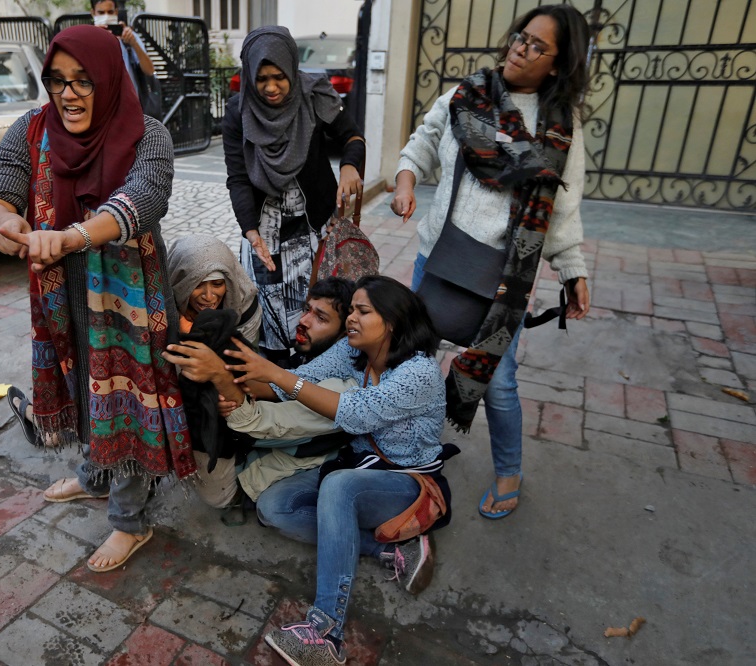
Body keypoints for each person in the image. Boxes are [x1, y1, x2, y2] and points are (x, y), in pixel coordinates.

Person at [0, 25, 194, 573]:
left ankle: (130, 520)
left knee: (124, 394)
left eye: (83, 81)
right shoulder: (33, 129)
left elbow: (141, 199)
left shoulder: (148, 136)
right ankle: (95, 475)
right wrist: (3, 221)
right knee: (78, 380)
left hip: (129, 301)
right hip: (58, 293)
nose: (68, 94)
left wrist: (72, 237)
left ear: (109, 79)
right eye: (57, 80)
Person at [391, 4, 592, 520]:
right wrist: (407, 179)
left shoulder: (562, 130)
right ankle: (409, 451)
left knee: (498, 381)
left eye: (536, 46)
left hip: (504, 277)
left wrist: (572, 269)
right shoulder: (469, 95)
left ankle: (509, 471)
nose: (519, 49)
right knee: (415, 358)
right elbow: (425, 140)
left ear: (558, 64)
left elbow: (564, 210)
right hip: (438, 255)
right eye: (520, 38)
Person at [222, 276, 453, 666]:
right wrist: (239, 388)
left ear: (393, 321)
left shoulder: (420, 373)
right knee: (273, 506)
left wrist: (275, 373)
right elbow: (300, 384)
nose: (352, 320)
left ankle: (326, 632)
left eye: (364, 312)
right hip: (355, 467)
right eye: (353, 311)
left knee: (340, 487)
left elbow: (354, 413)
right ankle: (387, 550)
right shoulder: (351, 351)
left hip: (407, 484)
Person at [222, 25, 365, 364]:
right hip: (265, 233)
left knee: (317, 311)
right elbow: (238, 178)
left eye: (279, 77)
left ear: (291, 68)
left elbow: (352, 138)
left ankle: (315, 383)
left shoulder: (314, 95)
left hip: (315, 227)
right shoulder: (237, 112)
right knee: (268, 316)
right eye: (261, 78)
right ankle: (275, 386)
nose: (271, 87)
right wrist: (250, 231)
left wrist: (349, 166)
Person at [164, 277, 356, 505]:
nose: (304, 320)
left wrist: (220, 378)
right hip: (255, 445)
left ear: (345, 334)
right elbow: (260, 386)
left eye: (320, 318)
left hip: (249, 477)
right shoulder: (311, 355)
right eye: (307, 310)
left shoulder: (338, 393)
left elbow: (256, 423)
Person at [166, 233, 261, 508]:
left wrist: (224, 391)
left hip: (220, 408)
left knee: (218, 499)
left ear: (229, 283)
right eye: (197, 286)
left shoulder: (245, 307)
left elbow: (245, 373)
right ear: (180, 282)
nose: (209, 297)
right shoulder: (164, 312)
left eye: (218, 284)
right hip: (178, 401)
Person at [91, 0, 161, 118]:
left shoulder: (128, 38)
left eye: (110, 12)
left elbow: (149, 70)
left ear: (116, 12)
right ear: (93, 13)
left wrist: (133, 43)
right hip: (101, 108)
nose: (106, 16)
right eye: (101, 12)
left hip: (129, 107)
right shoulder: (88, 38)